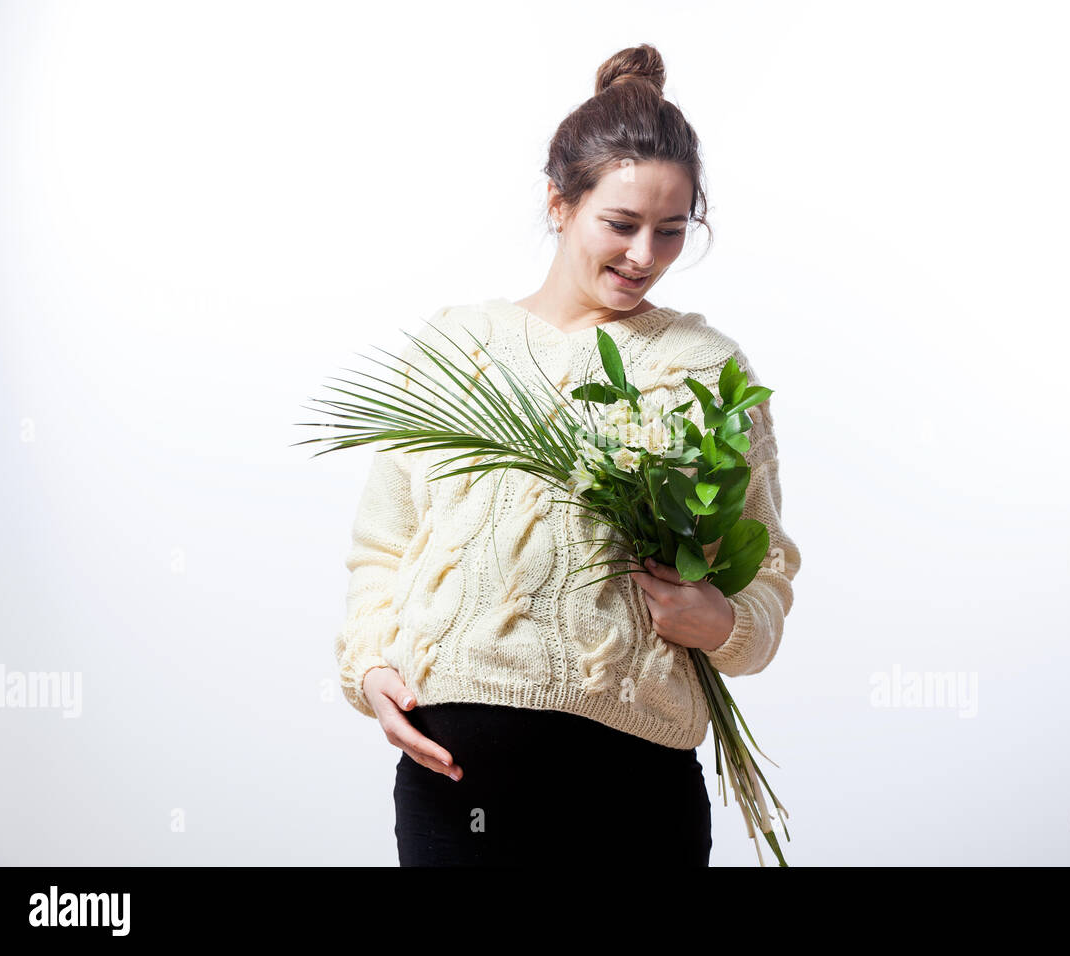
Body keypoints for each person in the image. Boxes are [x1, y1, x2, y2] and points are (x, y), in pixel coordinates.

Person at [333, 43, 801, 866]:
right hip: (456, 785)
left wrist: (722, 620)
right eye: (620, 225)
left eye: (670, 230)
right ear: (558, 202)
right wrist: (370, 667)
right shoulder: (457, 346)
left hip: (634, 797)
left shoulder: (707, 369)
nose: (644, 255)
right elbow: (382, 545)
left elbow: (766, 577)